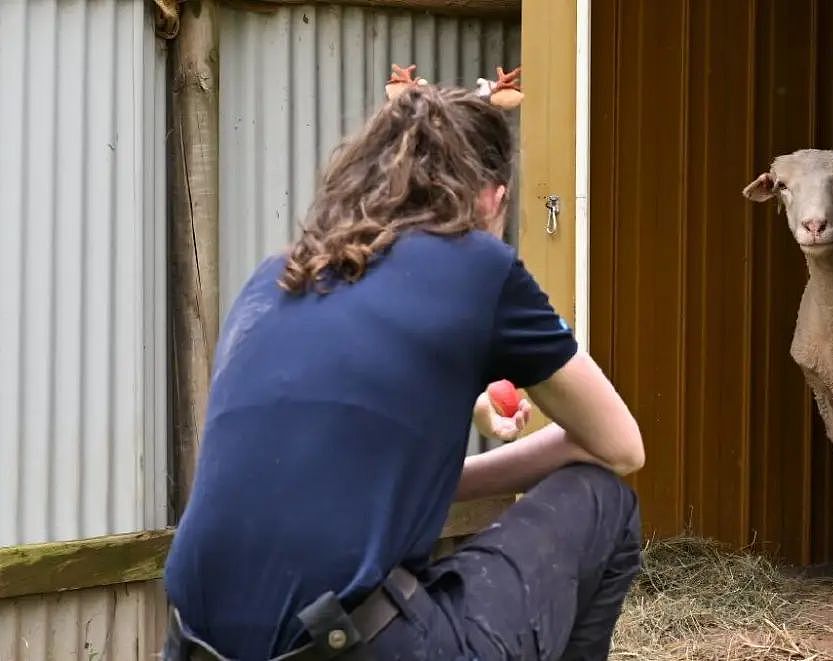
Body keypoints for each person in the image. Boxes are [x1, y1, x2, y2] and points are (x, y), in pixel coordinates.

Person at [162, 81, 646, 661]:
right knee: (603, 498)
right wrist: (463, 474)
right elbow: (621, 446)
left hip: (192, 644)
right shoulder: (478, 265)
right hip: (350, 646)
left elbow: (341, 408)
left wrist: (456, 427)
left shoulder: (273, 280)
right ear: (494, 198)